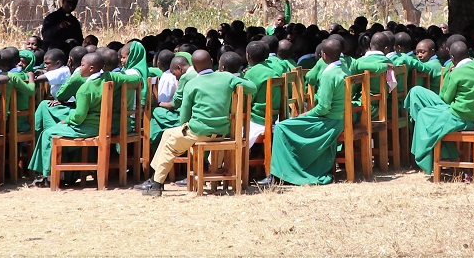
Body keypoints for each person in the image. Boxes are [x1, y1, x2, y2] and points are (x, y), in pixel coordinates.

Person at [138, 51, 255, 196]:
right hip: (222, 131)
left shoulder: (192, 84)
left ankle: (156, 184)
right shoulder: (227, 77)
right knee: (168, 133)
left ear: (193, 66)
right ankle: (155, 177)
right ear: (211, 61)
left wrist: (185, 126)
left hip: (198, 132)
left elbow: (184, 116)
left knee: (170, 147)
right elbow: (252, 87)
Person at [268, 37, 351, 185]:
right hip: (339, 119)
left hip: (328, 122)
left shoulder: (328, 75)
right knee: (288, 126)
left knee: (281, 127)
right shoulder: (344, 69)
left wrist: (306, 114)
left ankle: (279, 175)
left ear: (323, 55)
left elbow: (323, 108)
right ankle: (286, 171)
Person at [404, 38, 474, 174]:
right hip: (471, 116)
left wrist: (449, 75)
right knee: (416, 92)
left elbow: (445, 98)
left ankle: (432, 157)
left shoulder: (456, 73)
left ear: (452, 58)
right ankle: (443, 153)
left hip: (457, 116)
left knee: (423, 114)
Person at [26, 50, 106, 186]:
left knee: (47, 130)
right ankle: (63, 173)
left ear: (70, 60)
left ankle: (50, 176)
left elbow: (63, 97)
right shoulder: (107, 77)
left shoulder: (81, 81)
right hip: (99, 121)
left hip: (85, 121)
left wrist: (67, 120)